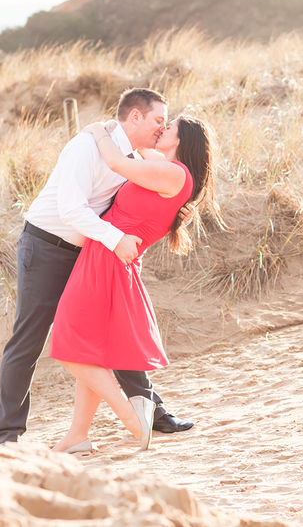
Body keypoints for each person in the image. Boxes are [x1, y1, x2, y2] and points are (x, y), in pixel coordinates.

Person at [0, 87, 195, 445]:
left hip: (90, 251)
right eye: (158, 120)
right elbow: (71, 208)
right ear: (135, 116)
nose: (162, 129)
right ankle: (8, 436)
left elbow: (156, 194)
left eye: (166, 123)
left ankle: (151, 412)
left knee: (107, 333)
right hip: (45, 247)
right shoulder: (86, 147)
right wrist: (115, 239)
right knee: (29, 339)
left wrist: (175, 214)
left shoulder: (131, 155)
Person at [48, 113, 220, 452]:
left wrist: (97, 130)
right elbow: (138, 153)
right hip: (107, 253)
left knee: (67, 342)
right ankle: (77, 436)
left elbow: (115, 161)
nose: (162, 128)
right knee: (90, 350)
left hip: (108, 258)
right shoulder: (165, 167)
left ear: (182, 140)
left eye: (168, 127)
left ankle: (131, 417)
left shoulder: (174, 173)